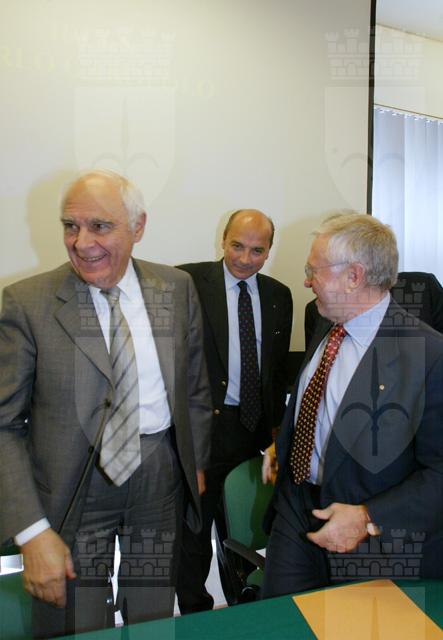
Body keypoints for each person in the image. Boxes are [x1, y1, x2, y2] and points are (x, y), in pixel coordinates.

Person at [0, 170, 212, 638]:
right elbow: (4, 425)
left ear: (138, 227)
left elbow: (194, 386)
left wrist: (194, 463)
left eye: (100, 226)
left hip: (158, 478)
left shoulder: (175, 288)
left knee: (153, 616)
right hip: (74, 485)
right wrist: (32, 531)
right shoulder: (27, 303)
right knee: (76, 622)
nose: (82, 243)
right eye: (70, 226)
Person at [262, 213, 443, 599]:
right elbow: (323, 400)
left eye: (313, 271)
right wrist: (286, 444)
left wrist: (368, 517)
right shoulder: (325, 319)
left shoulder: (429, 356)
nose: (306, 281)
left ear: (354, 276)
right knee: (278, 623)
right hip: (296, 510)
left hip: (371, 542)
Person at [176, 209, 293, 612]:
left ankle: (247, 608)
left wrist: (277, 433)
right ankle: (196, 617)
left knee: (249, 531)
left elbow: (276, 372)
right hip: (205, 433)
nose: (245, 258)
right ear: (223, 239)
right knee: (194, 534)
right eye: (237, 246)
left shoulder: (279, 295)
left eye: (257, 250)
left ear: (269, 250)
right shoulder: (189, 282)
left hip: (256, 433)